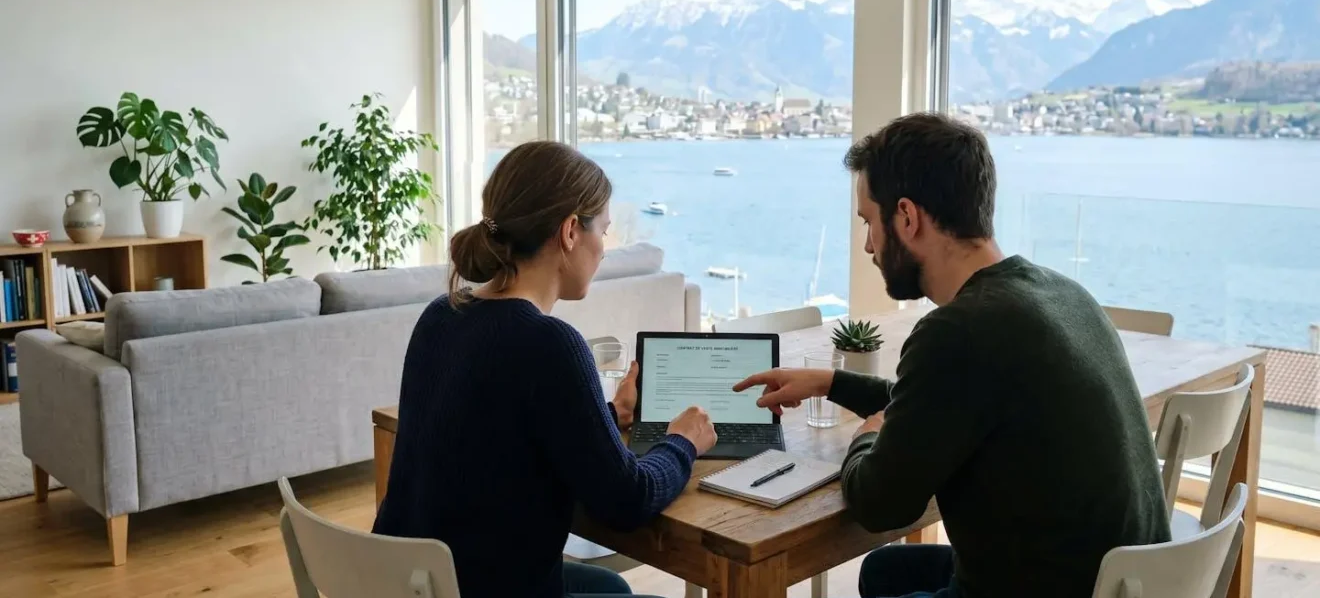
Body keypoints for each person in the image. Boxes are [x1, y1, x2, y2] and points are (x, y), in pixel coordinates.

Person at [733, 113, 1171, 598]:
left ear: (906, 217)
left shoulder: (959, 331)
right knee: (885, 574)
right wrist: (832, 384)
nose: (867, 245)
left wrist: (866, 436)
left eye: (868, 222)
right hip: (1120, 583)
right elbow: (942, 404)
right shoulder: (1063, 294)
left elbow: (879, 505)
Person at [372, 140, 718, 598]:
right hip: (483, 586)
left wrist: (610, 416)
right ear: (571, 231)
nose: (604, 250)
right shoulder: (549, 343)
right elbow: (627, 500)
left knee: (609, 584)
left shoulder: (442, 313)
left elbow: (499, 440)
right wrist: (683, 441)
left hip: (408, 581)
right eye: (604, 232)